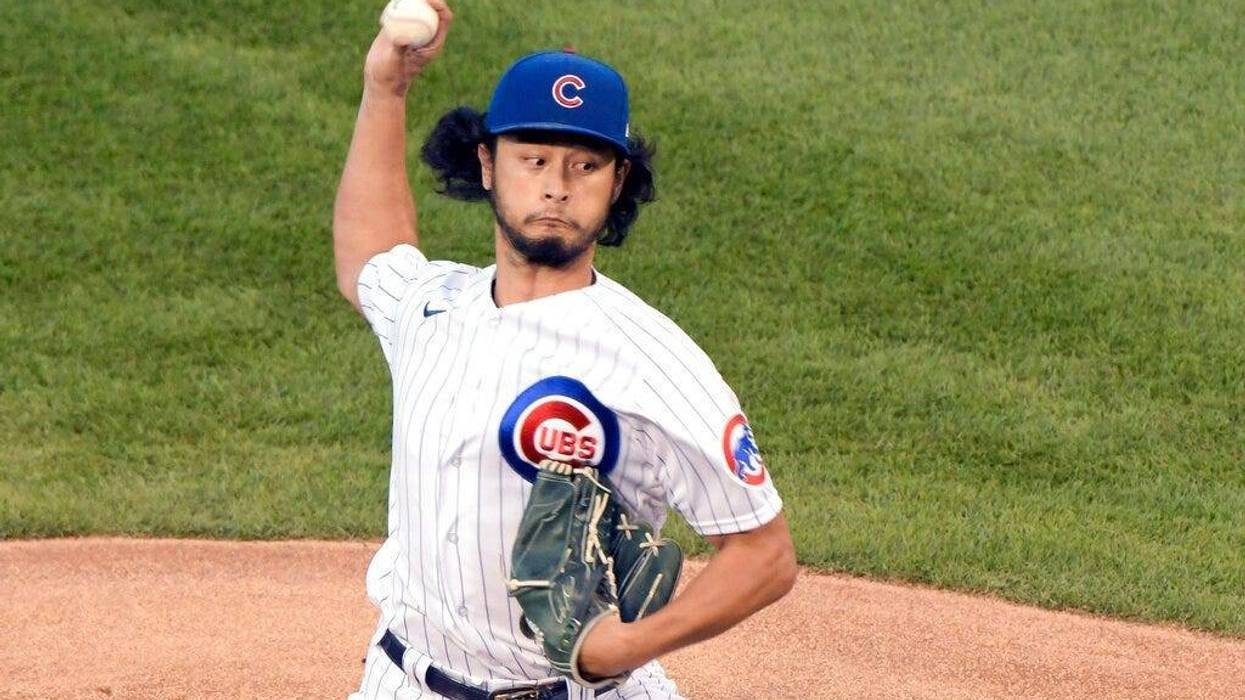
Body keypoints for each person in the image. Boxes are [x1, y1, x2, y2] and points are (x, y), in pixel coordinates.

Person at [335, 3, 798, 698]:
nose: (556, 185)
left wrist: (624, 647)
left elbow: (765, 555)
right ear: (487, 165)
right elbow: (371, 257)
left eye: (585, 164)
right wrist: (386, 90)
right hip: (404, 680)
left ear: (616, 184)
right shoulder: (430, 307)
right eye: (534, 159)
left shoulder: (649, 358)